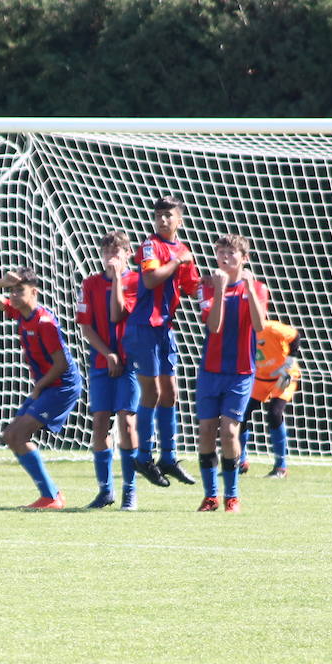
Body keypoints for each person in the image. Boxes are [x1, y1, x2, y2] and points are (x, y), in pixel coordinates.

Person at [0, 267, 83, 511]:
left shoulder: (44, 322)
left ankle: (51, 496)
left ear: (34, 292)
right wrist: (2, 281)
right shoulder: (19, 313)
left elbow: (61, 365)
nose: (13, 295)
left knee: (19, 435)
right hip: (48, 387)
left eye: (19, 291)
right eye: (11, 291)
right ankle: (51, 494)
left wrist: (38, 388)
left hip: (61, 387)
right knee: (11, 436)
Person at [123, 196, 202, 495]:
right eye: (159, 216)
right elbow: (153, 278)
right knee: (152, 392)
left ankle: (168, 457)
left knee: (171, 392)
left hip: (165, 329)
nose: (163, 220)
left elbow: (193, 287)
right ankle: (144, 457)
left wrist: (220, 283)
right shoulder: (150, 245)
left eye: (169, 216)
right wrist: (176, 262)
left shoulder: (182, 251)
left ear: (180, 220)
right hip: (144, 327)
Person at [194, 235, 269, 513]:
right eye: (220, 253)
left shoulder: (257, 288)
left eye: (231, 253)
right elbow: (214, 327)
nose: (225, 258)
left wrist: (248, 288)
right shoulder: (208, 287)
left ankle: (232, 496)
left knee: (229, 432)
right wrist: (221, 291)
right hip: (210, 372)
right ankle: (210, 495)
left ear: (244, 258)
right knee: (205, 432)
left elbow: (260, 326)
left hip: (240, 372)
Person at [75, 231, 141, 510]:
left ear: (128, 254)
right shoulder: (89, 284)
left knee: (127, 423)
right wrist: (107, 353)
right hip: (103, 362)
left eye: (116, 252)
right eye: (106, 253)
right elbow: (86, 325)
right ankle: (105, 490)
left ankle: (130, 490)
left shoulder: (138, 281)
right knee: (100, 422)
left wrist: (116, 281)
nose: (110, 258)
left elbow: (120, 313)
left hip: (132, 363)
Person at [241, 318, 301, 478]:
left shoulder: (273, 328)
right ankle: (240, 461)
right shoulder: (240, 330)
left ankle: (280, 467)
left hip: (282, 376)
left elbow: (295, 336)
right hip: (259, 379)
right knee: (239, 415)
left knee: (275, 413)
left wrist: (288, 363)